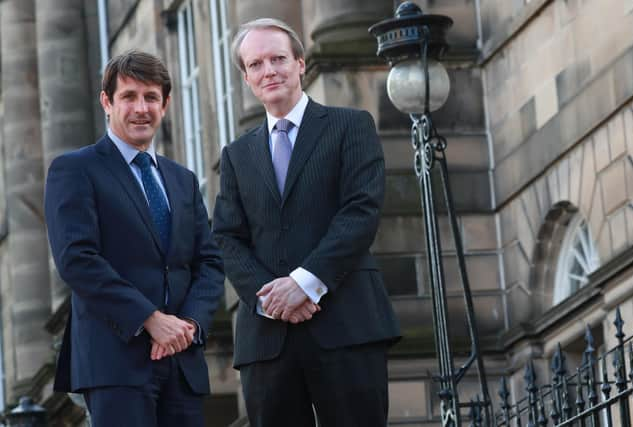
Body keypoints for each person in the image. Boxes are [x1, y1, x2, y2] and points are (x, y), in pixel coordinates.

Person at [212, 18, 400, 427]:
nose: (269, 71)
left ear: (299, 63)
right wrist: (271, 300)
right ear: (246, 78)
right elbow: (226, 238)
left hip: (346, 323)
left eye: (278, 58)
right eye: (256, 64)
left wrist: (303, 282)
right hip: (268, 341)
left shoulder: (351, 126)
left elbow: (361, 210)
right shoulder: (236, 156)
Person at [44, 50, 224, 427]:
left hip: (182, 361)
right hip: (115, 363)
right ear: (107, 102)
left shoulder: (182, 180)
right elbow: (77, 259)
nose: (141, 108)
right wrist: (149, 319)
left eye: (151, 97)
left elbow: (208, 262)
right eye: (129, 97)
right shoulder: (76, 169)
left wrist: (187, 325)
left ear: (166, 104)